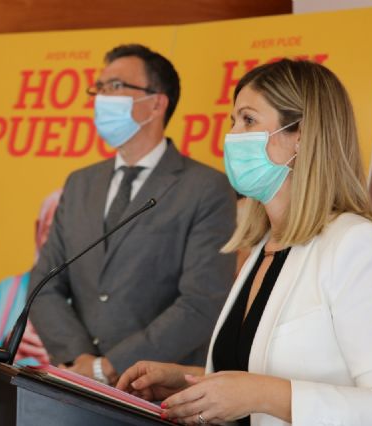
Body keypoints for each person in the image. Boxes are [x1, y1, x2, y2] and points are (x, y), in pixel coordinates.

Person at [116, 59, 372, 426]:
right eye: (232, 121)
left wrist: (261, 394)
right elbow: (253, 372)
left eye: (248, 120)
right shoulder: (264, 246)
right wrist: (186, 381)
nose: (232, 135)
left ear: (302, 135)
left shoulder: (357, 244)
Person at [29, 44, 237, 385]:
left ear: (156, 103)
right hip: (76, 380)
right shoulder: (80, 183)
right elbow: (45, 284)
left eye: (114, 86)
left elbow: (202, 301)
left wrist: (111, 365)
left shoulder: (206, 188)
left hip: (155, 389)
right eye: (98, 88)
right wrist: (82, 359)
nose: (101, 97)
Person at [0, 190, 61, 366]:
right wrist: (6, 349)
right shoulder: (8, 289)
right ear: (38, 230)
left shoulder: (96, 299)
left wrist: (58, 360)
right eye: (51, 231)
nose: (58, 245)